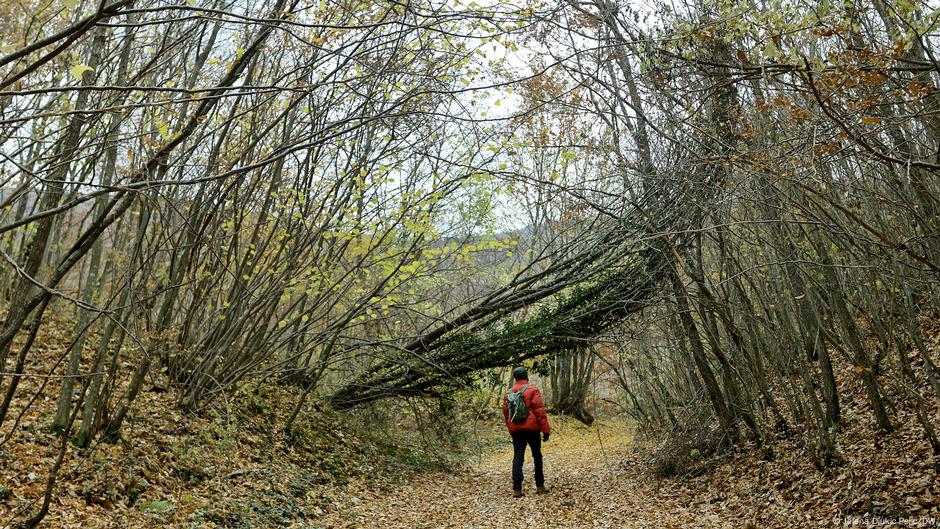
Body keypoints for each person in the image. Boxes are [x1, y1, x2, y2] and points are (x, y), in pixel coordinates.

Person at [502, 366, 551, 497]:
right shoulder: (532, 390)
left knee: (518, 457)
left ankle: (517, 489)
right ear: (526, 376)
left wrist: (511, 428)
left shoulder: (508, 393)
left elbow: (506, 414)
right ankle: (540, 486)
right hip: (532, 428)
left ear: (515, 378)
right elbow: (539, 411)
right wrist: (546, 430)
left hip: (516, 430)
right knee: (537, 456)